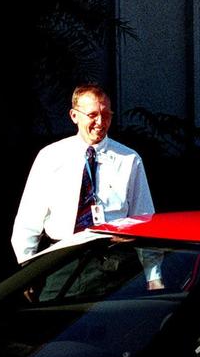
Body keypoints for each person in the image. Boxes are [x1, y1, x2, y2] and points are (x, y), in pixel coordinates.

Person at [11, 84, 155, 263]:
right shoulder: (51, 156)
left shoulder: (128, 159)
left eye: (106, 115)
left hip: (114, 260)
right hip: (61, 258)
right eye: (93, 115)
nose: (100, 123)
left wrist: (152, 274)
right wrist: (26, 266)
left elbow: (143, 219)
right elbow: (28, 219)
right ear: (74, 116)